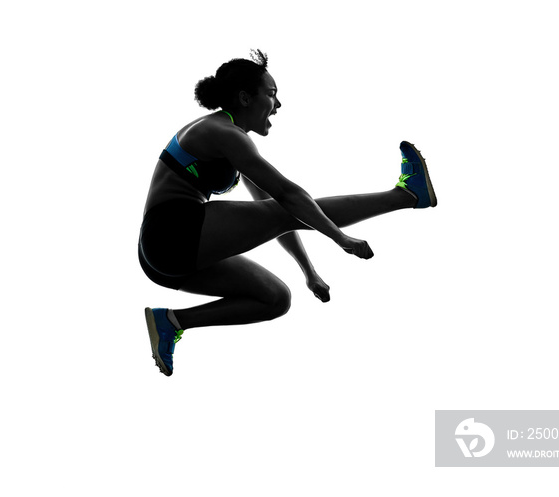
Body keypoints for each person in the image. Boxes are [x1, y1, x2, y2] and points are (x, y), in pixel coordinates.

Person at [139, 50, 436, 376]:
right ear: (244, 98)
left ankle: (170, 322)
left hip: (170, 258)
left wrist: (308, 271)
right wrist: (341, 239)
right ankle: (406, 195)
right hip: (171, 233)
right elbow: (290, 196)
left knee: (275, 298)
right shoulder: (221, 133)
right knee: (289, 207)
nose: (278, 105)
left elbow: (276, 210)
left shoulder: (230, 139)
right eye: (271, 94)